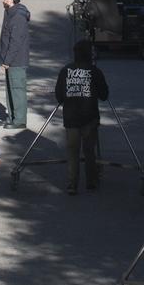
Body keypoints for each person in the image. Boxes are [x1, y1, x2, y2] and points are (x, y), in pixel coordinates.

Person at [55, 39, 111, 194]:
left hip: (71, 118)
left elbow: (59, 96)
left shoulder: (65, 71)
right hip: (89, 117)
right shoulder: (94, 71)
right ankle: (91, 181)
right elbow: (104, 95)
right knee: (89, 150)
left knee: (72, 151)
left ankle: (72, 184)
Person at [0, 0, 32, 131]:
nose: (3, 0)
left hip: (16, 60)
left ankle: (20, 120)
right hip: (10, 59)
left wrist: (7, 60)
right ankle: (12, 117)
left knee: (17, 90)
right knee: (10, 89)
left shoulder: (18, 17)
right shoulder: (10, 12)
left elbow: (16, 41)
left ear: (12, 0)